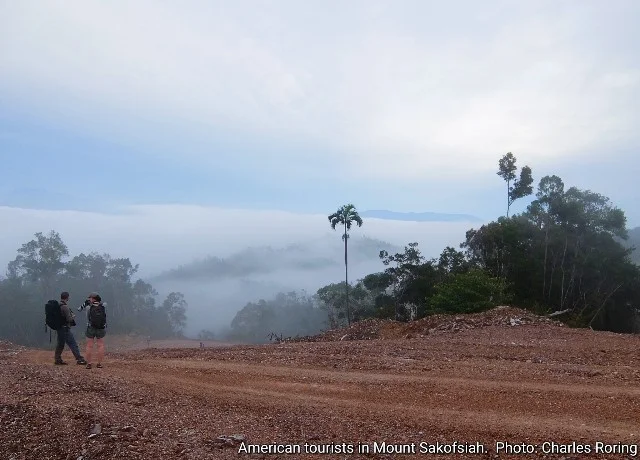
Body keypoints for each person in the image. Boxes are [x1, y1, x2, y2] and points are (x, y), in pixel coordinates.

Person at [54, 291, 87, 365]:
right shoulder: (65, 307)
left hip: (59, 328)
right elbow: (69, 319)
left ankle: (57, 359)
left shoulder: (57, 306)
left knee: (60, 344)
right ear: (67, 297)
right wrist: (73, 317)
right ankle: (80, 359)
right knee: (73, 343)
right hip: (65, 328)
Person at [83, 293, 107, 369]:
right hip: (101, 327)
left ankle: (89, 363)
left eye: (90, 298)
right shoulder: (103, 306)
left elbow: (87, 318)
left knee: (89, 345)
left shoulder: (88, 307)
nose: (89, 299)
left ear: (93, 299)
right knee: (100, 345)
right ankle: (99, 364)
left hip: (91, 327)